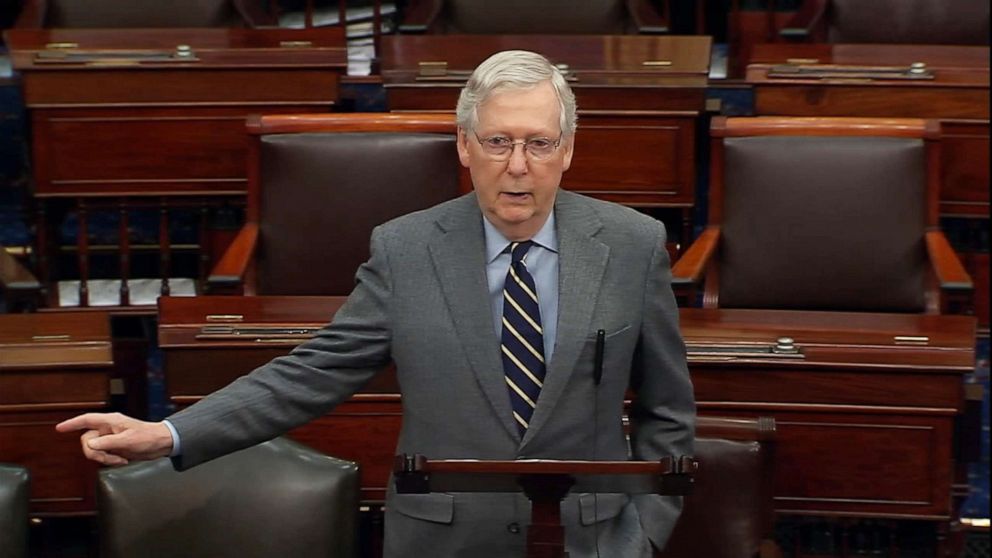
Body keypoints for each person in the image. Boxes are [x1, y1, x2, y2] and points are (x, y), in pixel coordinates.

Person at [56, 49, 695, 558]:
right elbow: (310, 373)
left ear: (569, 150)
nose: (519, 166)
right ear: (465, 146)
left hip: (592, 539)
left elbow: (668, 410)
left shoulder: (632, 244)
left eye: (539, 143)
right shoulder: (406, 248)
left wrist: (643, 531)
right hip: (441, 537)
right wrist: (170, 433)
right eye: (498, 142)